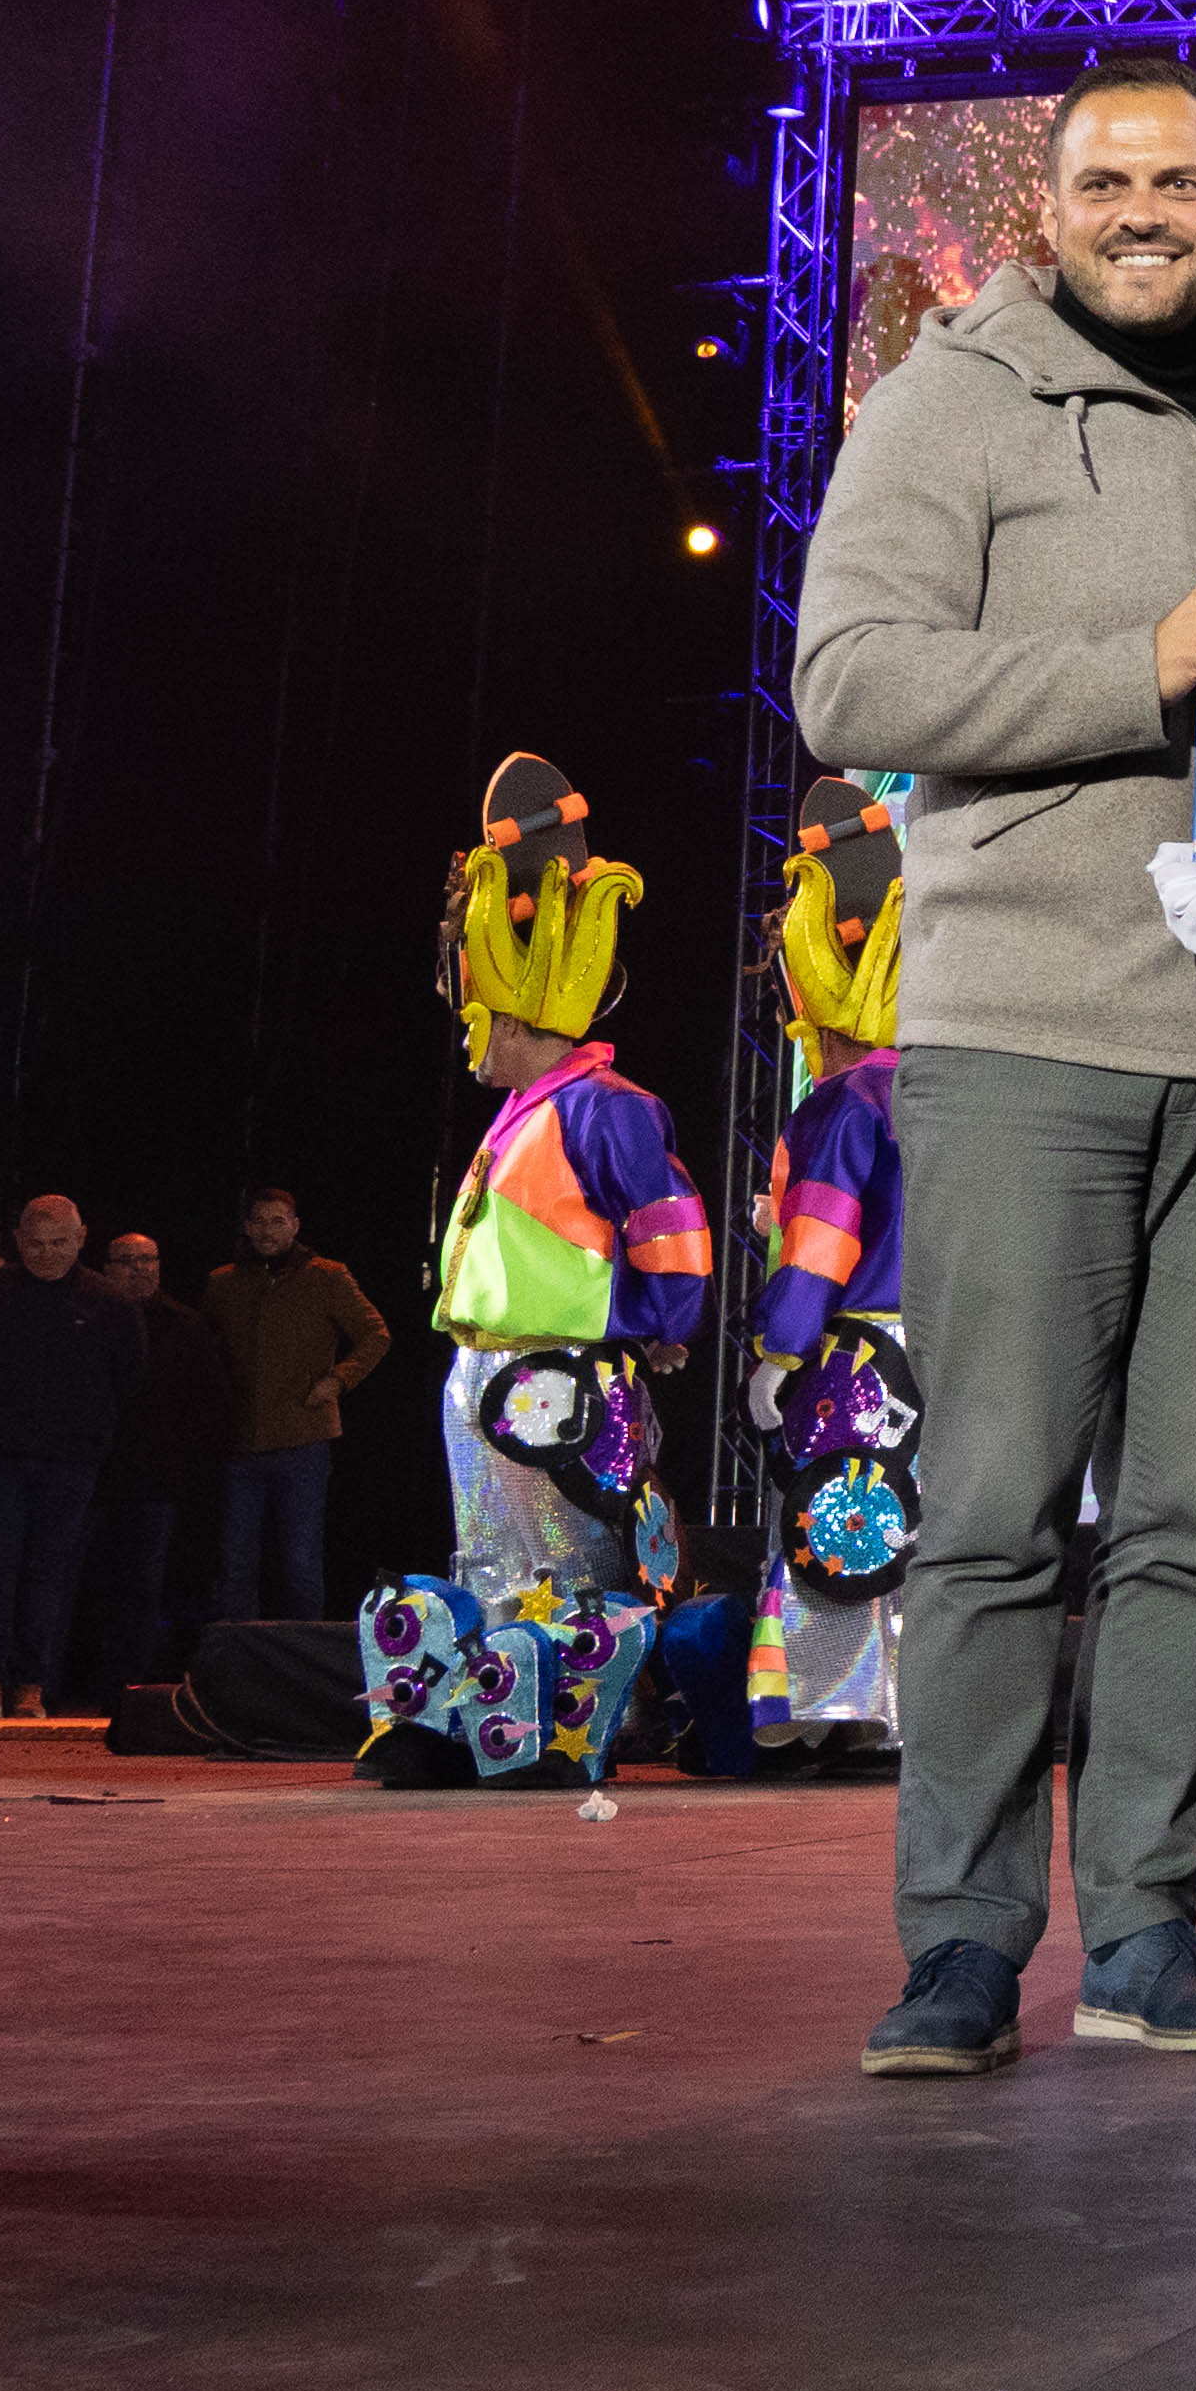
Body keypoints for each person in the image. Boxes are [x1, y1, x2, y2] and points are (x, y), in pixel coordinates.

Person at [793, 51, 1196, 2078]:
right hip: (1022, 1026)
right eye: (1107, 180)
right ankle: (959, 1948)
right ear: (1046, 209)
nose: (1145, 210)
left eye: (1182, 180)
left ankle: (1144, 1934)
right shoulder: (952, 399)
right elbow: (844, 681)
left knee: (1193, 1523)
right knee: (992, 1516)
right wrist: (1136, 664)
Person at [355, 754, 708, 1786]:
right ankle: (495, 1711)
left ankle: (576, 1718)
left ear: (513, 1019)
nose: (466, 1037)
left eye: (475, 1020)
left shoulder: (608, 1107)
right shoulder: (522, 1115)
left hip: (556, 1375)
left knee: (562, 1559)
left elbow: (669, 1227)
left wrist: (665, 1322)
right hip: (489, 1373)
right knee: (495, 1558)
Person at [735, 775, 916, 1755]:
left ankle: (838, 1711)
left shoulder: (841, 1104)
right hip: (936, 1351)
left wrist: (781, 1348)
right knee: (906, 1525)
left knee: (837, 1519)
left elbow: (822, 1240)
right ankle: (899, 1716)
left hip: (853, 1356)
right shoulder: (937, 1095)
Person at [0, 1193, 141, 1717]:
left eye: (59, 1243)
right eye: (36, 1243)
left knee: (48, 1573)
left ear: (80, 1238)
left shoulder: (110, 1305)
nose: (47, 1254)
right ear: (18, 1241)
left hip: (70, 1461)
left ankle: (29, 1684)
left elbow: (127, 1383)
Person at [201, 1184, 391, 1625]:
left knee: (299, 1564)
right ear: (247, 1227)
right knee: (233, 1565)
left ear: (295, 1226)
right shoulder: (224, 1283)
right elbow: (205, 1352)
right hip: (239, 1442)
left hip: (302, 1439)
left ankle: (303, 1663)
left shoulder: (326, 1276)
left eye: (277, 1221)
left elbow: (376, 1334)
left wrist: (338, 1380)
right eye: (259, 1221)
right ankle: (240, 1665)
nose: (267, 1230)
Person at [85, 1232, 238, 1699]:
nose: (140, 1268)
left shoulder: (186, 1326)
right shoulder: (91, 1317)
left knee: (144, 1586)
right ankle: (85, 1680)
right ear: (107, 1267)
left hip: (156, 1478)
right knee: (88, 1583)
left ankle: (131, 1685)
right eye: (128, 1260)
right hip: (91, 1473)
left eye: (149, 1258)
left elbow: (209, 1406)